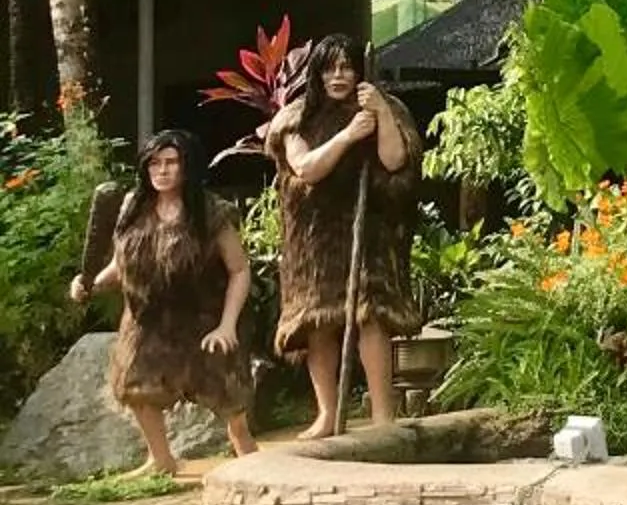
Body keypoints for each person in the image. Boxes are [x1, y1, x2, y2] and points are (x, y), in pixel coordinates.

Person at [69, 130, 255, 475]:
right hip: (148, 318)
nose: (162, 170)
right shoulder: (132, 208)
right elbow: (120, 266)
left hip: (204, 314)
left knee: (226, 389)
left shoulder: (211, 212)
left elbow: (240, 269)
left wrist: (227, 324)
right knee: (136, 382)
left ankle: (244, 447)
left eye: (171, 162)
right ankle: (160, 459)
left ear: (187, 167)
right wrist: (91, 286)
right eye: (155, 162)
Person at [262, 33, 419, 435]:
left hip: (365, 231)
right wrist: (349, 135)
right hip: (315, 237)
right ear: (317, 73)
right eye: (331, 68)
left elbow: (395, 159)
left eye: (347, 67)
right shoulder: (296, 117)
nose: (339, 76)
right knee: (319, 322)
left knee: (370, 318)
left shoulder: (385, 107)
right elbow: (306, 169)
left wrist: (380, 111)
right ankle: (327, 413)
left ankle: (384, 414)